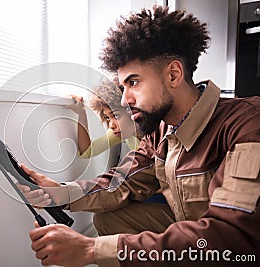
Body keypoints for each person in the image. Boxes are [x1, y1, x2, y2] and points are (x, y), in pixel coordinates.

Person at [19, 6, 260, 266]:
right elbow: (123, 182)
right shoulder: (160, 131)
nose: (125, 99)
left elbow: (232, 236)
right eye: (123, 86)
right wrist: (62, 193)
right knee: (109, 218)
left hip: (237, 249)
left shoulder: (247, 124)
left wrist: (91, 249)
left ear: (173, 75)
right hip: (191, 227)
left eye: (133, 83)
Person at [69, 78, 140, 161]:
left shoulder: (154, 131)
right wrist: (81, 113)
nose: (111, 126)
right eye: (107, 118)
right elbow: (88, 152)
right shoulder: (120, 132)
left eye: (116, 116)